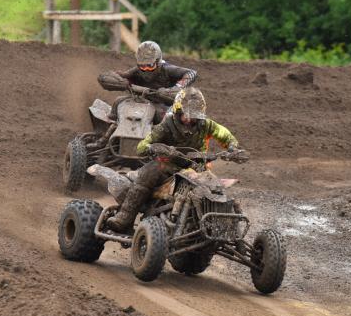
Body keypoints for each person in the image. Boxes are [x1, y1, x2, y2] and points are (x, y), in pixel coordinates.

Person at [105, 87, 246, 233]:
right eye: (187, 114)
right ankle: (124, 217)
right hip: (167, 165)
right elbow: (142, 146)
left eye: (195, 115)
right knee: (149, 173)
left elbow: (224, 134)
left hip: (196, 168)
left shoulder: (206, 125)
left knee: (216, 188)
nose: (191, 119)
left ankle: (220, 229)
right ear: (178, 111)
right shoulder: (167, 125)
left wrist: (233, 147)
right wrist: (152, 148)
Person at [97, 40, 197, 123]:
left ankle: (165, 140)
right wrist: (117, 80)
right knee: (118, 101)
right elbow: (123, 75)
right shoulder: (136, 70)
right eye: (142, 66)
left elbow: (192, 73)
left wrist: (177, 88)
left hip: (164, 104)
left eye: (150, 66)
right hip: (141, 101)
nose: (145, 69)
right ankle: (109, 130)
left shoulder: (167, 69)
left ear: (158, 61)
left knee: (166, 118)